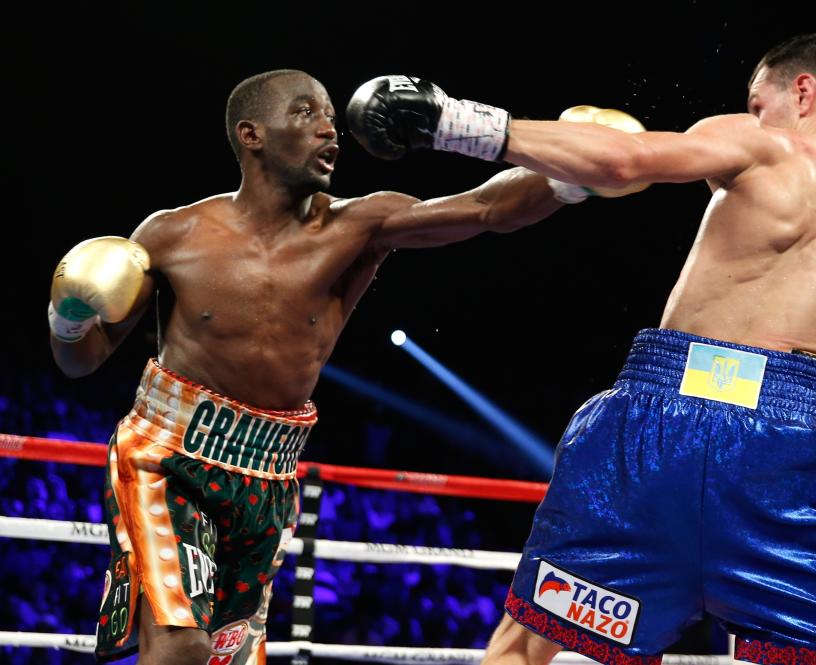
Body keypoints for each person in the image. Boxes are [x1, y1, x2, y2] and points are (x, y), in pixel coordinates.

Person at [347, 34, 816, 665]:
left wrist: (455, 122)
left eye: (757, 102)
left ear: (803, 91)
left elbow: (624, 161)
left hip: (665, 417)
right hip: (790, 452)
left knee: (527, 645)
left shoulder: (766, 142)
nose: (752, 114)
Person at [47, 69, 564, 665]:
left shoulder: (359, 226)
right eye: (305, 113)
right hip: (168, 458)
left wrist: (573, 177)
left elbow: (487, 208)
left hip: (269, 473)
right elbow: (81, 362)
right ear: (252, 134)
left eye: (329, 116)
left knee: (229, 655)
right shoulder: (171, 235)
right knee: (181, 642)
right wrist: (68, 316)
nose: (330, 130)